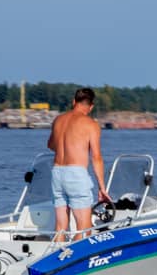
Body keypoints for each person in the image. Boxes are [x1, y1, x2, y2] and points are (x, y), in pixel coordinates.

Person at [47, 87, 111, 241]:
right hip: (76, 175)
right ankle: (72, 262)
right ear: (91, 106)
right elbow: (96, 157)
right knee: (84, 229)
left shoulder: (58, 120)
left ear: (73, 101)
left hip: (57, 173)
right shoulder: (91, 124)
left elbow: (51, 145)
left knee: (60, 227)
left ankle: (58, 259)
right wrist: (102, 188)